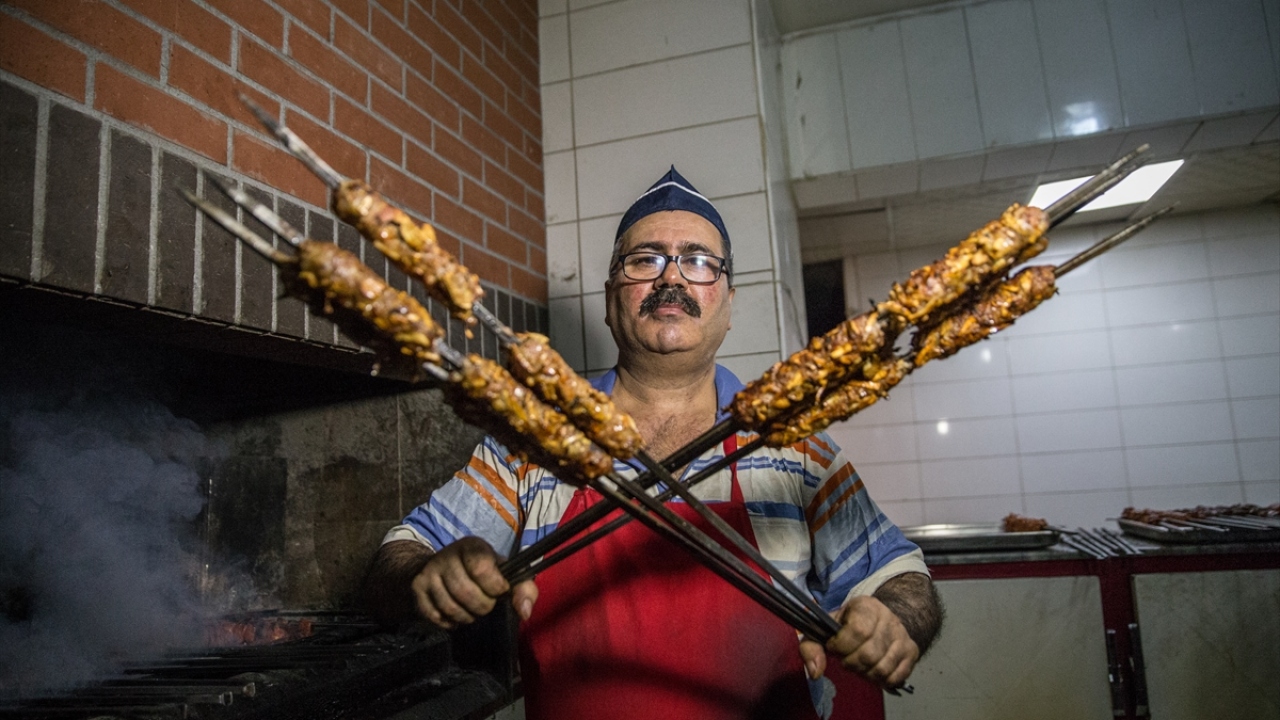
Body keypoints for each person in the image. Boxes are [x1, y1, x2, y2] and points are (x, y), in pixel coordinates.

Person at [364, 167, 943, 720]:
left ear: (729, 304)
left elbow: (900, 577)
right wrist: (429, 575)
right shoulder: (536, 441)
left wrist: (892, 621)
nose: (671, 277)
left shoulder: (794, 451)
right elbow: (403, 550)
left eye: (697, 262)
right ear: (612, 297)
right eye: (645, 260)